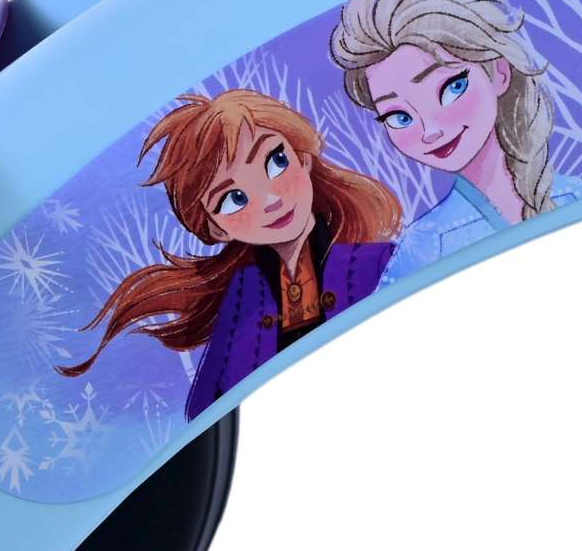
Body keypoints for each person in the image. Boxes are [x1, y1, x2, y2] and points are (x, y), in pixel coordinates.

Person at [58, 89, 401, 419]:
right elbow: (206, 405)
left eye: (276, 161)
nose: (270, 200)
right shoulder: (243, 298)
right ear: (216, 228)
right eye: (234, 198)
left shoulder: (378, 262)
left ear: (303, 157)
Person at [331, 0, 582, 286]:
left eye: (451, 88)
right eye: (399, 116)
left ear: (499, 72)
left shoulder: (573, 194)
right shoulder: (424, 247)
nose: (431, 130)